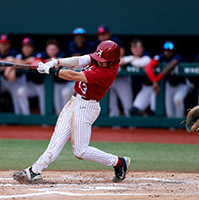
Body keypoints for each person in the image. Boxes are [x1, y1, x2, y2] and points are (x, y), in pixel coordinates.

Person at [13, 40, 131, 184]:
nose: (99, 62)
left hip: (86, 107)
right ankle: (35, 171)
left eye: (103, 61)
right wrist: (56, 62)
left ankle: (119, 162)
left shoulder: (106, 73)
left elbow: (74, 76)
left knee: (80, 151)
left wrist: (51, 71)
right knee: (56, 141)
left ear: (112, 61)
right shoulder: (102, 57)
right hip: (74, 101)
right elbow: (80, 60)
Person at [145, 41, 191, 118]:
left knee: (177, 99)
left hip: (182, 84)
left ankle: (180, 123)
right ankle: (172, 128)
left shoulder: (178, 56)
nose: (168, 52)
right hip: (169, 85)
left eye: (170, 51)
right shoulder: (162, 56)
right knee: (169, 110)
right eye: (166, 50)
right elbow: (148, 66)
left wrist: (156, 80)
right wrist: (154, 80)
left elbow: (170, 66)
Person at [120, 39, 152, 116]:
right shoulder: (130, 56)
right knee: (134, 111)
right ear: (131, 49)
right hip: (146, 88)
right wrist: (133, 58)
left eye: (139, 47)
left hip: (156, 87)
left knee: (155, 111)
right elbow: (119, 61)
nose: (136, 49)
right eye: (134, 47)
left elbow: (142, 62)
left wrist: (130, 60)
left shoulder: (147, 54)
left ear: (143, 48)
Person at [15, 37, 42, 115]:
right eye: (24, 47)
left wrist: (22, 63)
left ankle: (46, 124)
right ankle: (26, 115)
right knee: (21, 92)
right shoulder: (20, 56)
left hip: (42, 84)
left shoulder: (38, 54)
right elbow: (14, 62)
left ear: (32, 48)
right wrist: (26, 62)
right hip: (31, 84)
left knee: (44, 106)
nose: (26, 49)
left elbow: (37, 61)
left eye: (28, 46)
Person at [40, 39, 67, 113]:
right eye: (50, 49)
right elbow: (35, 61)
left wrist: (45, 62)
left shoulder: (62, 54)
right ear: (46, 50)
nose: (52, 51)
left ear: (58, 49)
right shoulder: (43, 55)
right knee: (57, 101)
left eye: (54, 49)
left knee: (65, 96)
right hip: (55, 83)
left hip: (67, 82)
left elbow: (57, 64)